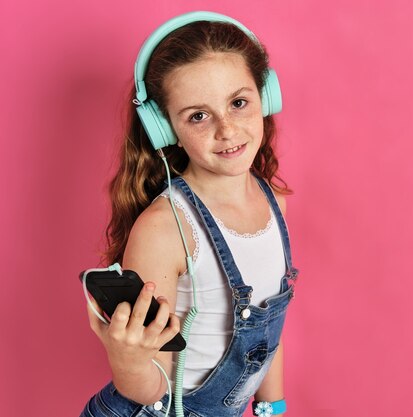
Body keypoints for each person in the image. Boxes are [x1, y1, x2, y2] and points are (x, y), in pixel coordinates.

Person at [80, 11, 297, 417]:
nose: (226, 130)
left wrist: (272, 409)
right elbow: (150, 389)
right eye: (198, 115)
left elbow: (270, 330)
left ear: (266, 97)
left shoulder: (274, 203)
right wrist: (127, 358)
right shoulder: (165, 230)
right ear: (165, 129)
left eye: (238, 103)